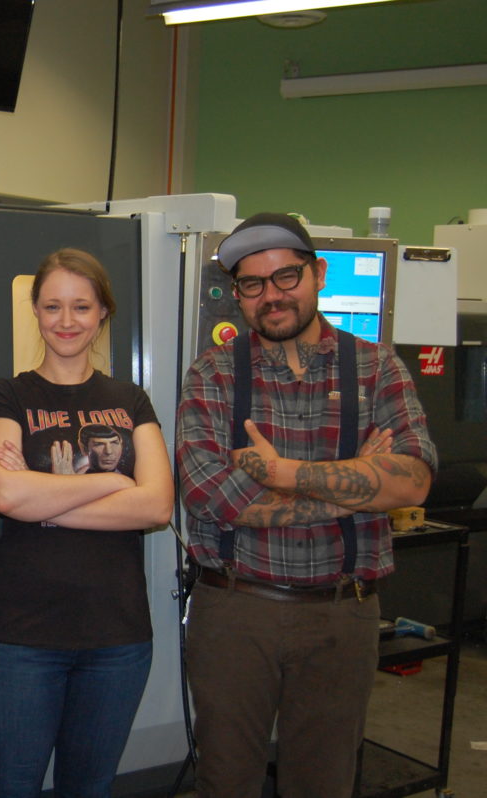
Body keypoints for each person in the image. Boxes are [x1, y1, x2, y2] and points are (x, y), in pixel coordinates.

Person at [175, 212, 436, 798]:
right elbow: (208, 496)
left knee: (324, 782)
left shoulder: (379, 369)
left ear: (317, 275)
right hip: (235, 612)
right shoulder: (211, 375)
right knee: (226, 781)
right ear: (237, 295)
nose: (272, 295)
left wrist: (285, 474)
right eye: (252, 284)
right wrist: (356, 489)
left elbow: (413, 481)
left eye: (286, 277)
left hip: (342, 614)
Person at [0, 248, 174, 798]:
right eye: (53, 306)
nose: (66, 321)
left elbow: (157, 506)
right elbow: (5, 493)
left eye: (81, 306)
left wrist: (46, 497)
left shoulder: (130, 400)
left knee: (90, 788)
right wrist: (112, 482)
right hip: (19, 640)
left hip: (117, 638)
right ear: (35, 310)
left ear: (102, 312)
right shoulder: (7, 395)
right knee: (11, 788)